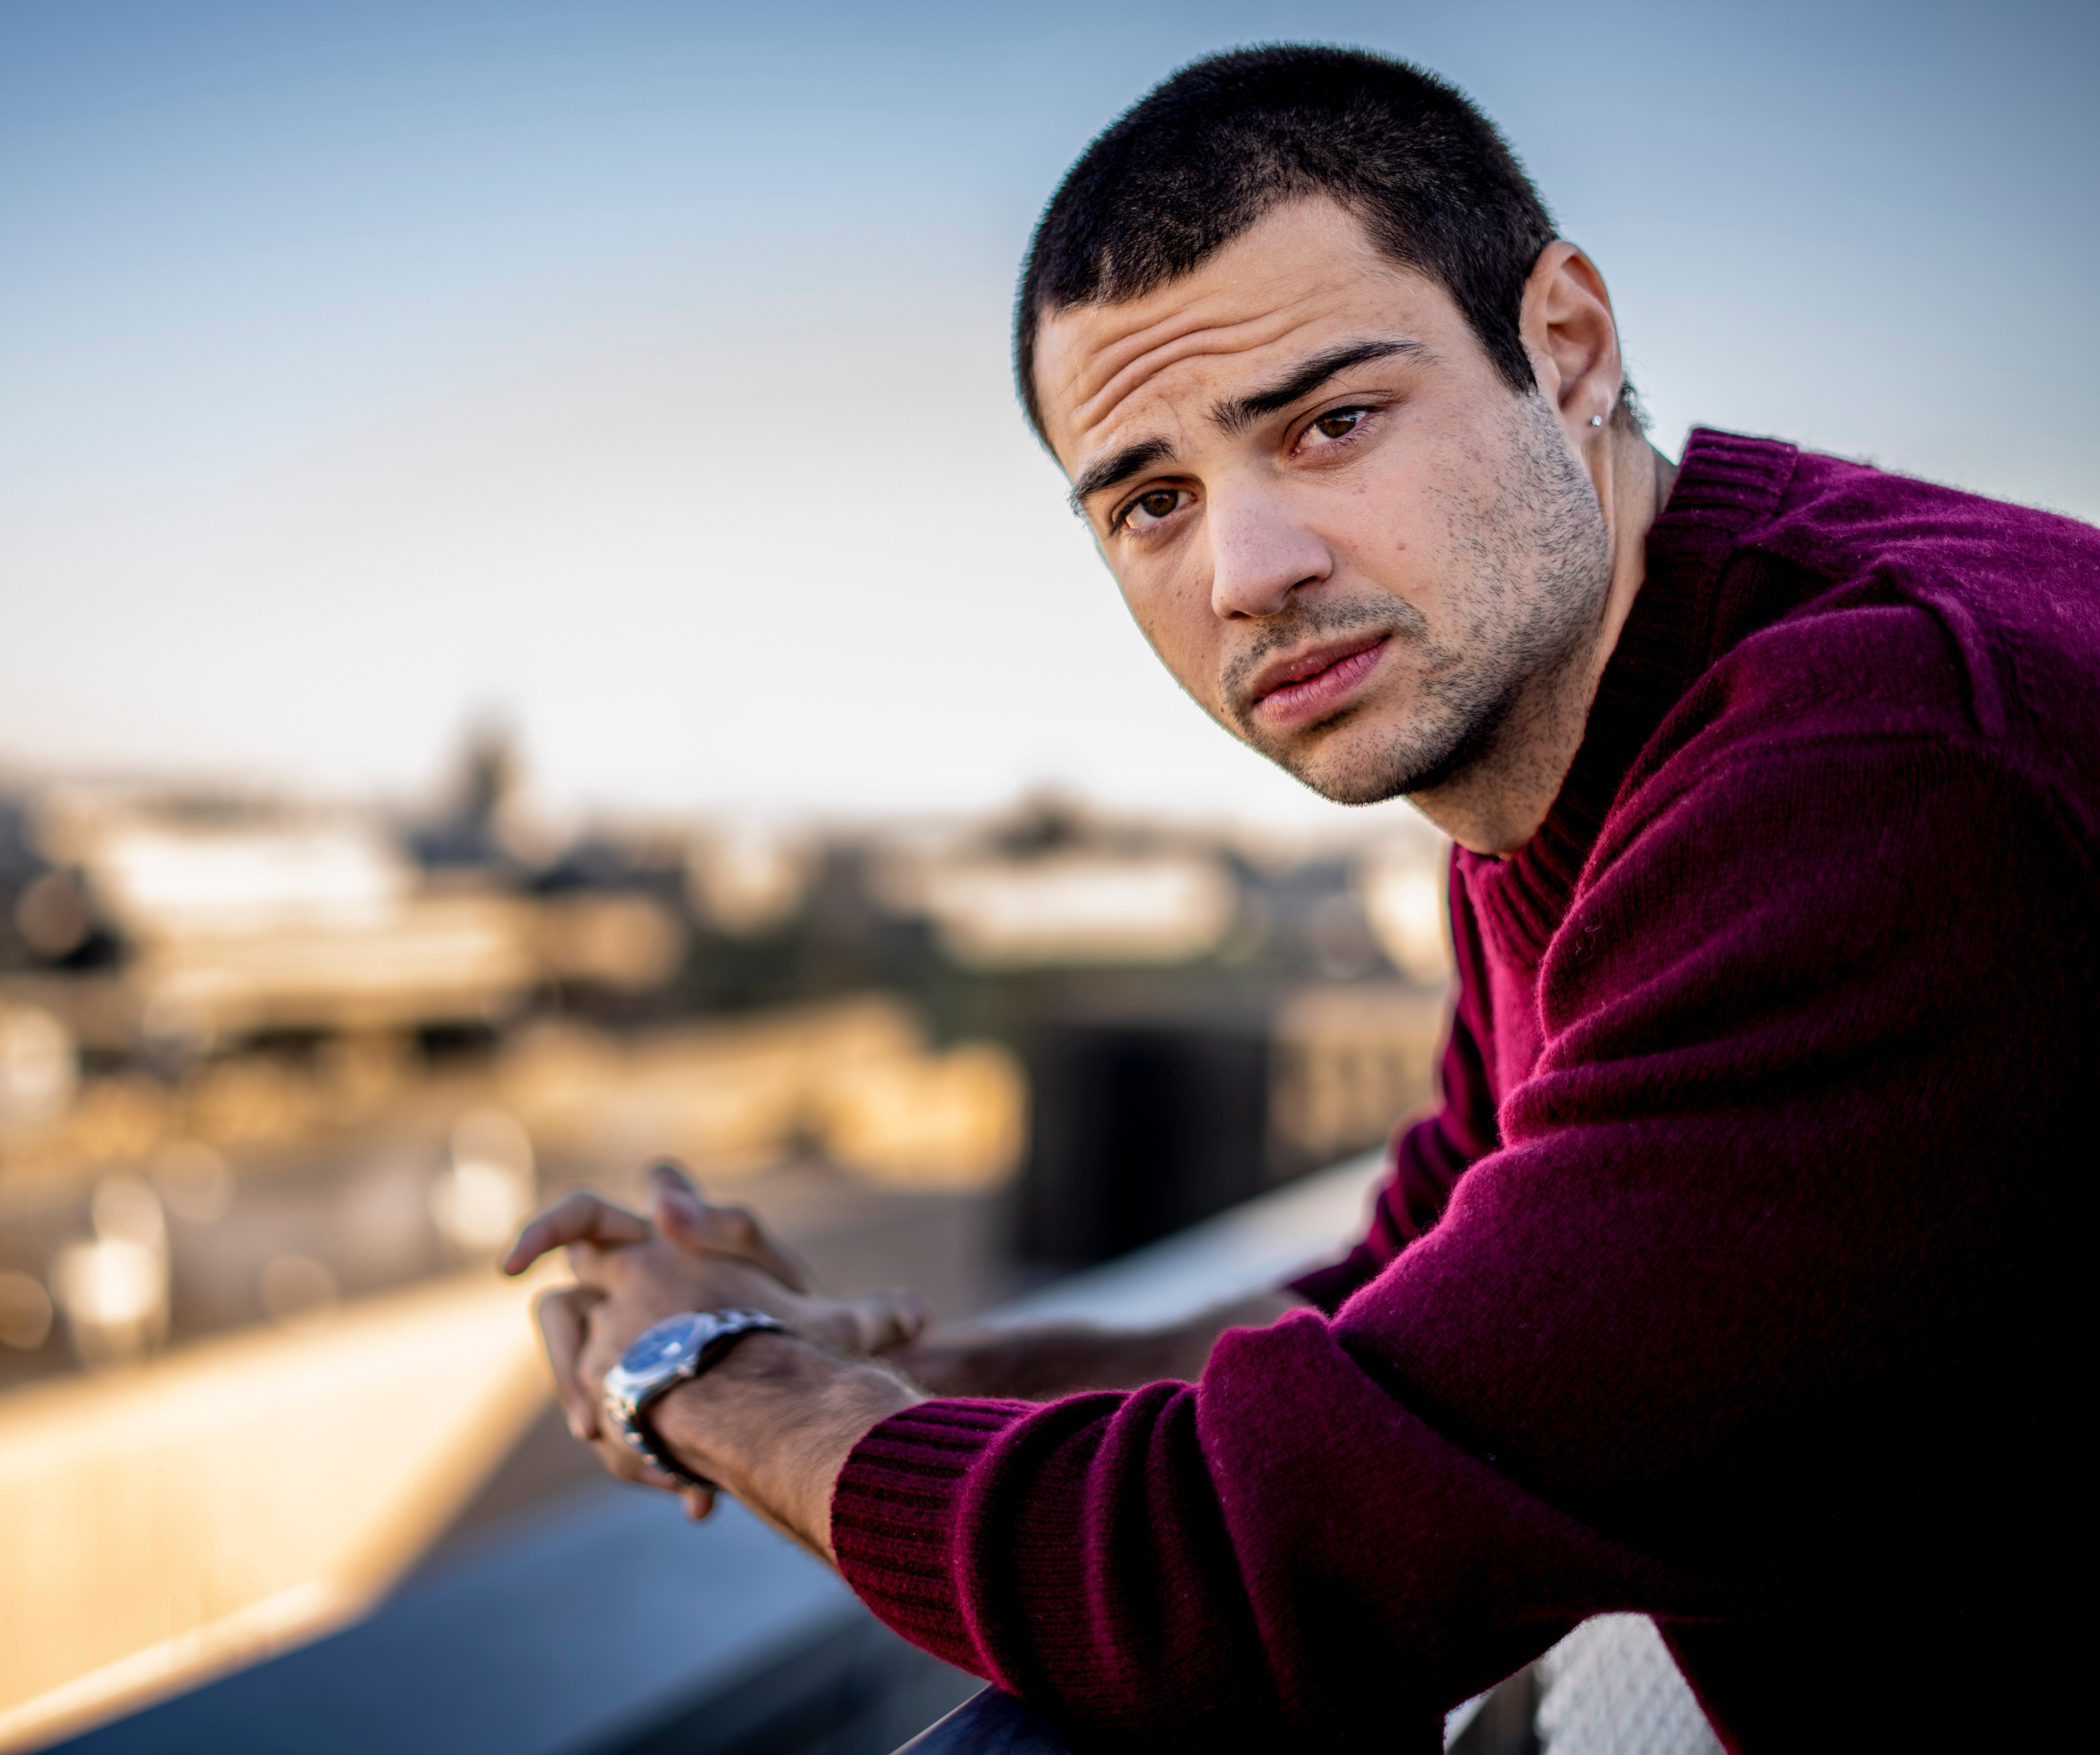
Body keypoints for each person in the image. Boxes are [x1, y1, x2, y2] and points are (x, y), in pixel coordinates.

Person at [507, 44, 2091, 1750]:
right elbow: (1390, 1308)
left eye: (1332, 424)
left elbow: (1250, 1575)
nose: (1249, 573)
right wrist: (911, 1368)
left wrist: (708, 1382)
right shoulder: (1587, 745)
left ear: (1563, 348)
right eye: (1154, 502)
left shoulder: (1883, 768)